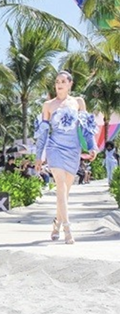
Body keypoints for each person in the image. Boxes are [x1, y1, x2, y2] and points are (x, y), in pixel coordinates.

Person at [35, 71, 98, 245]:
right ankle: (67, 230)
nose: (59, 84)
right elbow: (43, 133)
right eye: (57, 81)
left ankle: (56, 223)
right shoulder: (48, 105)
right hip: (55, 148)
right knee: (60, 187)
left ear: (70, 84)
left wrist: (92, 147)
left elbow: (86, 127)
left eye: (63, 81)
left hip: (73, 150)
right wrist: (39, 156)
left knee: (65, 193)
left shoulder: (78, 102)